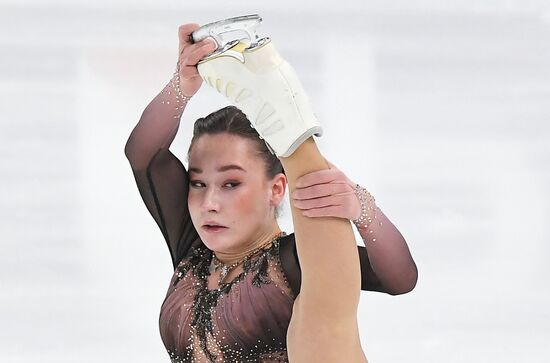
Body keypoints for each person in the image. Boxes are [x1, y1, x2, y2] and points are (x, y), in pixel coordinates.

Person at [124, 23, 418, 363]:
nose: (210, 203)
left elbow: (399, 279)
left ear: (276, 188)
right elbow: (143, 155)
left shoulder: (294, 261)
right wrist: (182, 85)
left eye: (231, 184)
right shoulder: (192, 249)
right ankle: (285, 120)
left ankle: (290, 131)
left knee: (322, 328)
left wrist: (363, 210)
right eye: (198, 183)